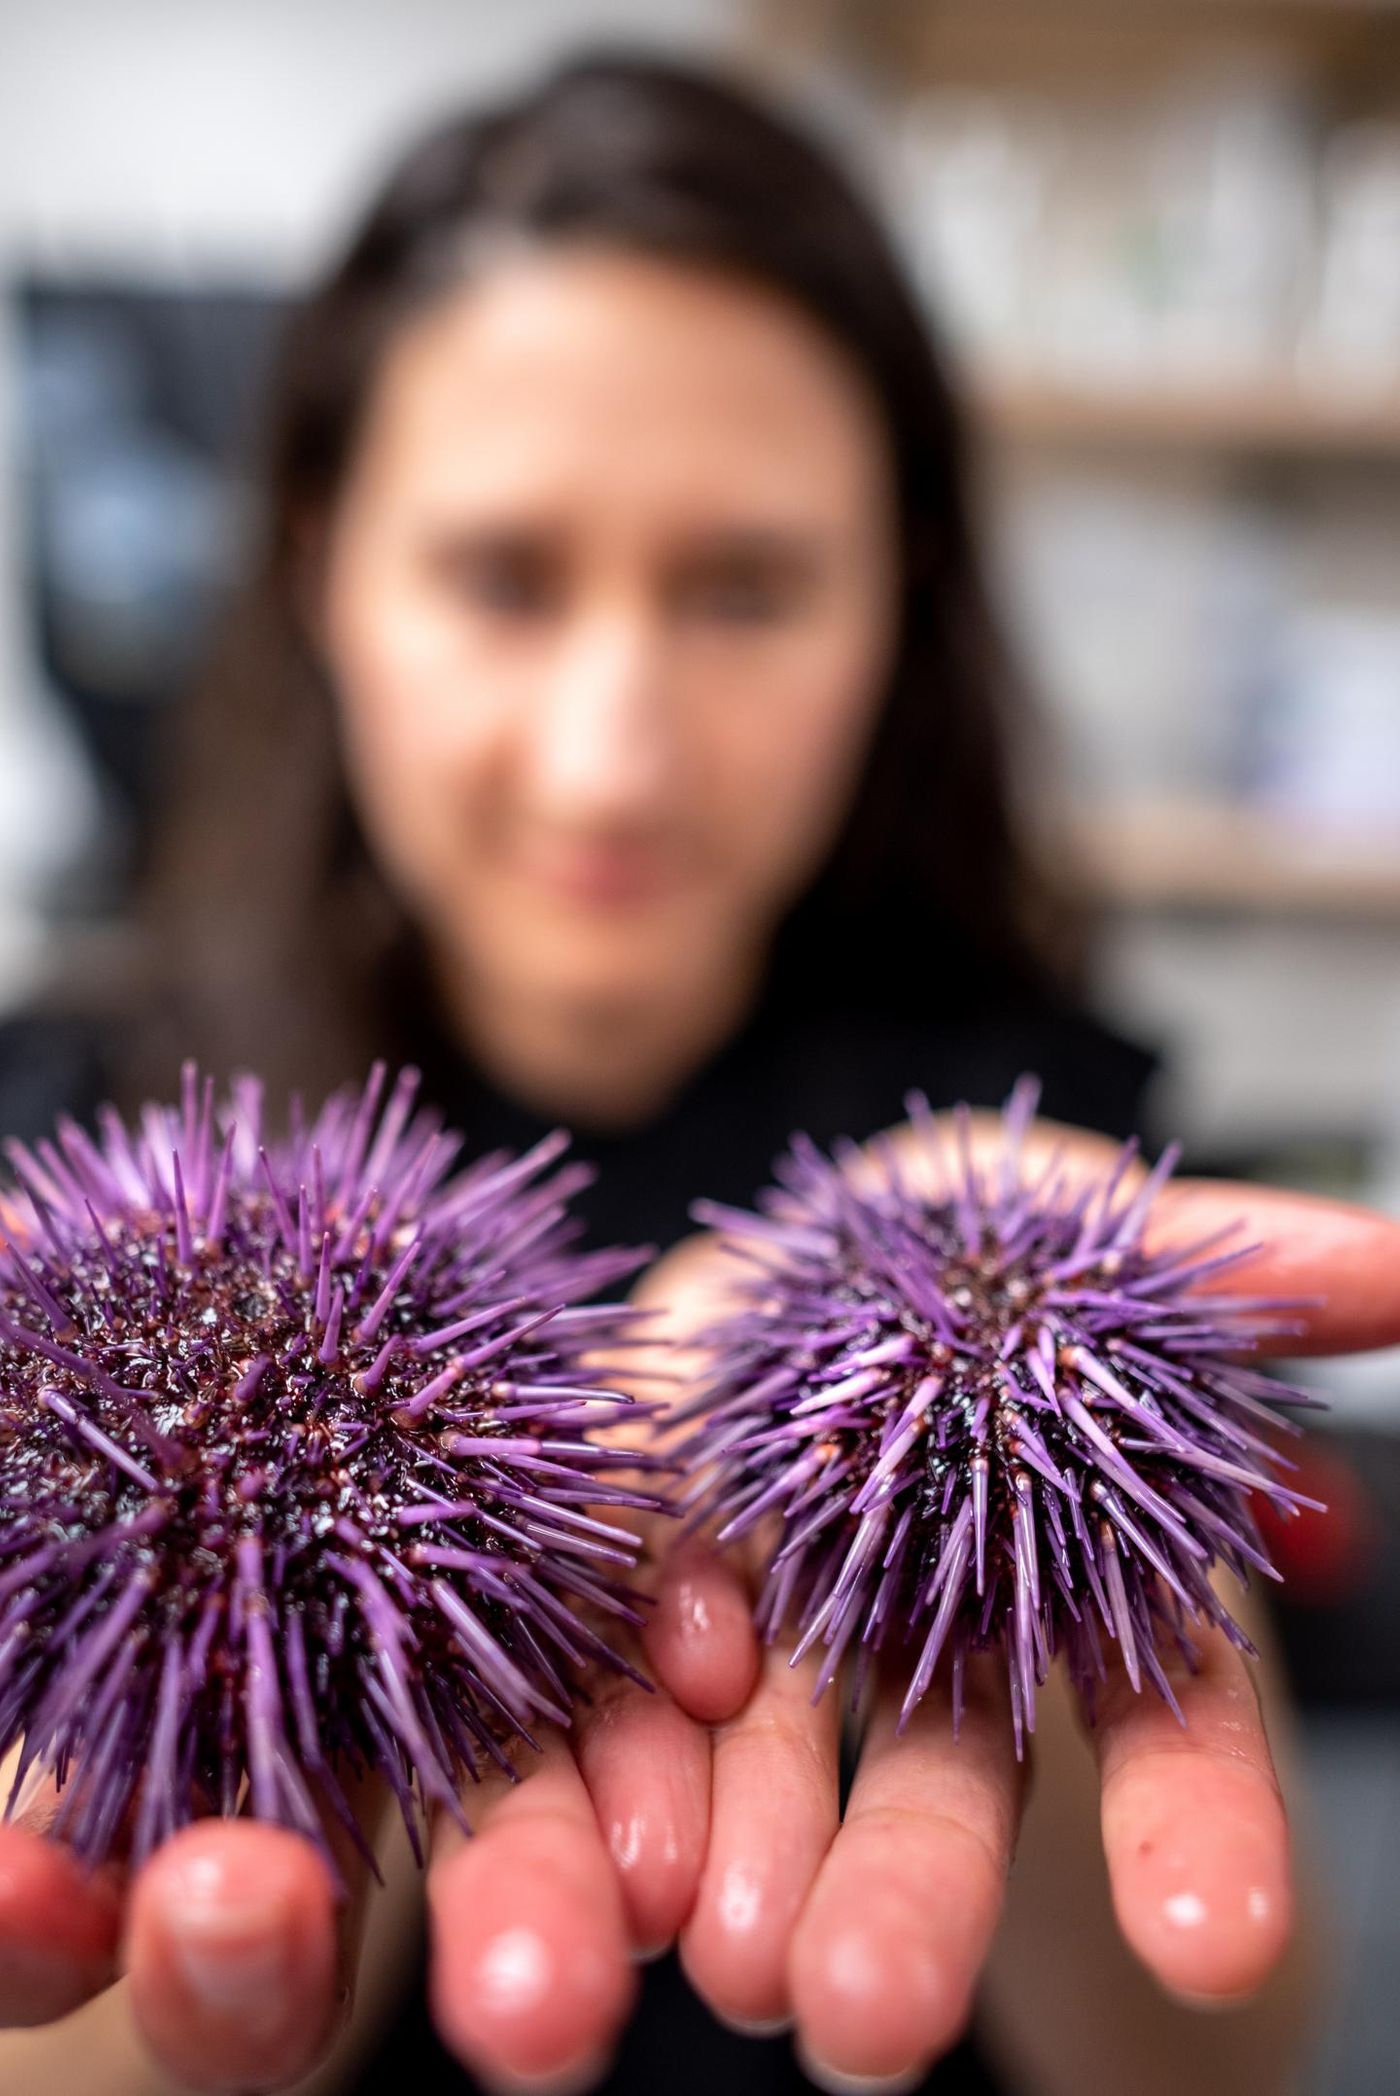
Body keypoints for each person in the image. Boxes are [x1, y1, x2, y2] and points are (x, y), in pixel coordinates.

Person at [1, 49, 1398, 2096]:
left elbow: (1206, 2060)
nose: (611, 753)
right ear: (320, 565)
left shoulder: (1052, 1121)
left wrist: (1032, 1530)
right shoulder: (76, 1127)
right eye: (503, 575)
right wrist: (320, 1732)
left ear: (893, 602)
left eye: (744, 584)